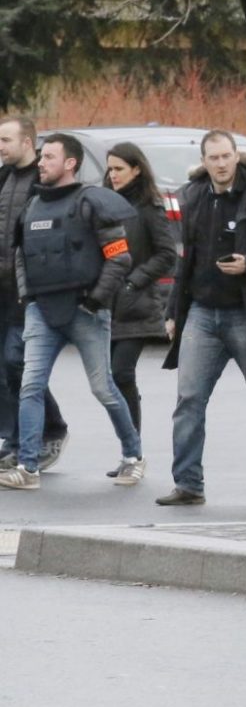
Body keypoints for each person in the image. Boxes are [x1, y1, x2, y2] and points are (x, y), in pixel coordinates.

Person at [156, 128, 246, 506]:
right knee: (188, 400)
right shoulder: (194, 197)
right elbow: (186, 261)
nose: (221, 164)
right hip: (202, 314)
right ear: (203, 162)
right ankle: (188, 484)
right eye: (213, 158)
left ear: (236, 156)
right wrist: (173, 312)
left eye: (226, 156)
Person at [0, 133, 146, 490]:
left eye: (49, 157)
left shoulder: (91, 202)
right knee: (31, 385)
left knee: (103, 388)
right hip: (41, 309)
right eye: (41, 157)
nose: (41, 163)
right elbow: (21, 256)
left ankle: (133, 456)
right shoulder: (33, 206)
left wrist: (95, 301)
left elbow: (119, 258)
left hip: (86, 312)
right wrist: (28, 297)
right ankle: (28, 467)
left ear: (70, 163)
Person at [103, 141, 177, 477]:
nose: (113, 175)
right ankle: (128, 452)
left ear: (136, 169)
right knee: (109, 381)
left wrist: (134, 282)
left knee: (122, 373)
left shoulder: (149, 207)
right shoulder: (104, 202)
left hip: (136, 304)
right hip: (105, 304)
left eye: (119, 169)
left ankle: (134, 455)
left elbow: (167, 255)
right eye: (110, 169)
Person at [0, 116, 70, 471]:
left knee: (18, 363)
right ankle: (14, 439)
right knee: (5, 369)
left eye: (5, 140)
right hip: (1, 288)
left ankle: (52, 429)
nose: (0, 147)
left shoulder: (43, 181)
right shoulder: (3, 177)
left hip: (26, 290)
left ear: (27, 142)